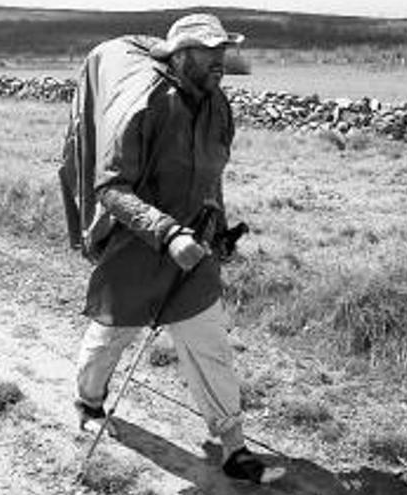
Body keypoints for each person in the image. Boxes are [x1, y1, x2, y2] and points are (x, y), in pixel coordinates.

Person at [73, 13, 285, 484]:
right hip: (136, 245)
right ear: (182, 55)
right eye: (210, 53)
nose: (220, 62)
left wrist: (221, 230)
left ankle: (233, 447)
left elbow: (212, 176)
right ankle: (88, 400)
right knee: (110, 337)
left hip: (194, 249)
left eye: (223, 53)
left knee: (208, 343)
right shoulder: (142, 104)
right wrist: (168, 233)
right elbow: (111, 187)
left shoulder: (217, 105)